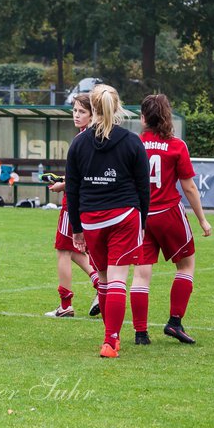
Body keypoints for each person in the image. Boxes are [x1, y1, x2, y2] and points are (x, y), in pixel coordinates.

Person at [64, 84, 150, 359]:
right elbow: (142, 187)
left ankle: (109, 337)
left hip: (91, 220)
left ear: (94, 108)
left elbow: (73, 189)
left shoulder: (79, 142)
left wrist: (77, 228)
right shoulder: (132, 141)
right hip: (124, 216)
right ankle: (111, 340)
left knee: (104, 279)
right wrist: (143, 221)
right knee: (117, 280)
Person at [130, 94, 212, 345]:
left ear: (143, 118)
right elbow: (188, 188)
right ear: (167, 116)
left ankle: (141, 333)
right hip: (168, 213)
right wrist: (202, 220)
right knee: (186, 265)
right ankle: (174, 322)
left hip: (141, 216)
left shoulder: (133, 144)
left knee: (141, 274)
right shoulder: (177, 145)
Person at [43, 94, 102, 320]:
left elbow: (83, 176)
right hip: (87, 200)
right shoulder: (92, 136)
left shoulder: (85, 137)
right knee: (76, 250)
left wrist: (63, 186)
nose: (76, 115)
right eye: (75, 111)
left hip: (75, 202)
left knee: (63, 251)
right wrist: (63, 180)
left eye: (82, 112)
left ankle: (65, 305)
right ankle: (99, 283)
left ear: (93, 114)